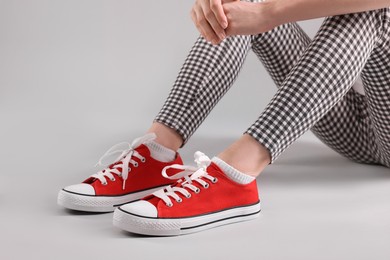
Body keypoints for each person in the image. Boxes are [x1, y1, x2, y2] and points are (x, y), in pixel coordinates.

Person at [58, 0, 390, 236]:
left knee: (374, 9)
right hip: (352, 118)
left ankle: (237, 176)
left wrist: (267, 13)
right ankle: (157, 153)